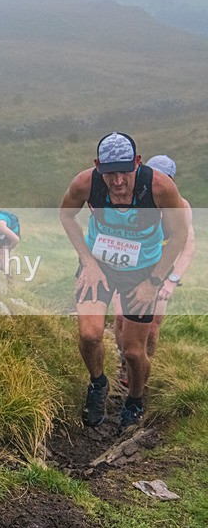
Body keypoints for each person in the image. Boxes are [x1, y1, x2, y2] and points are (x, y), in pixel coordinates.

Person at [60, 132, 188, 434]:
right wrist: (88, 262)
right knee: (90, 334)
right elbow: (67, 216)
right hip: (99, 265)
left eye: (124, 171)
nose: (117, 181)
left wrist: (154, 281)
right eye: (109, 173)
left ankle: (134, 400)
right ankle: (98, 383)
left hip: (143, 271)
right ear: (97, 166)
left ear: (138, 162)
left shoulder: (159, 187)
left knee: (133, 351)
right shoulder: (85, 183)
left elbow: (179, 236)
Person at [113, 155, 195, 386]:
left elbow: (188, 247)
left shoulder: (181, 206)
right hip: (130, 269)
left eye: (164, 177)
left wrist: (171, 281)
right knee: (121, 318)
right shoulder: (133, 200)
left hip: (161, 272)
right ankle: (125, 360)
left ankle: (141, 366)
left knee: (153, 324)